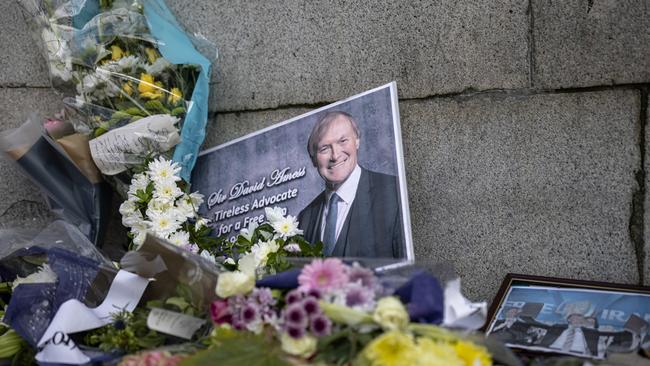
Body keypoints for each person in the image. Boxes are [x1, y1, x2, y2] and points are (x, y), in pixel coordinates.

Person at [298, 111, 404, 258]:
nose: (335, 156)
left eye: (342, 141)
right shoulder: (304, 218)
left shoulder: (395, 192)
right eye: (324, 148)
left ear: (357, 141)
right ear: (313, 160)